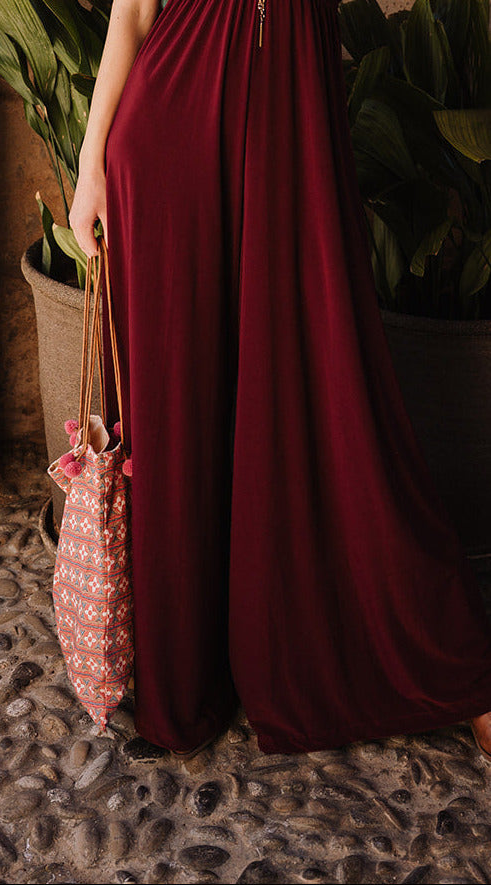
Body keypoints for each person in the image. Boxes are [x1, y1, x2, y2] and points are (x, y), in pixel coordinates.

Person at [69, 0, 491, 761]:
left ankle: (445, 657)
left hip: (292, 117)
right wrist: (90, 161)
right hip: (171, 126)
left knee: (331, 382)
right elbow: (133, 10)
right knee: (178, 409)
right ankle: (182, 678)